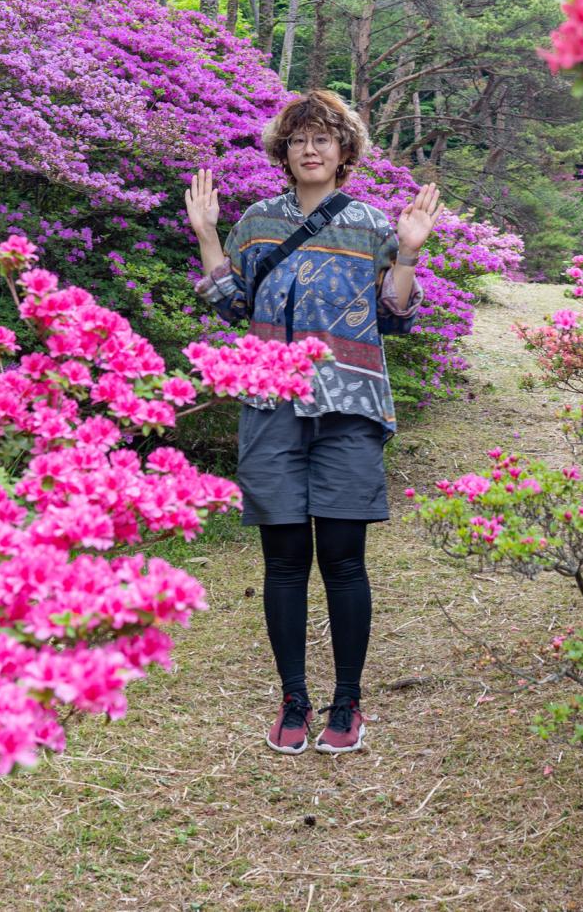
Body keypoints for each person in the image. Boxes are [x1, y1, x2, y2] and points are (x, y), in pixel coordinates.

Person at [185, 89, 439, 755]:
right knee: (285, 560)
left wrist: (408, 253)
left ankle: (347, 702)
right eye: (298, 139)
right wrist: (209, 235)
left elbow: (395, 314)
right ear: (284, 151)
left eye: (323, 137)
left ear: (344, 150)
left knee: (345, 560)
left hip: (349, 407)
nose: (310, 148)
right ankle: (294, 699)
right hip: (270, 409)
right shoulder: (259, 223)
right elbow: (232, 302)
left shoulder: (370, 224)